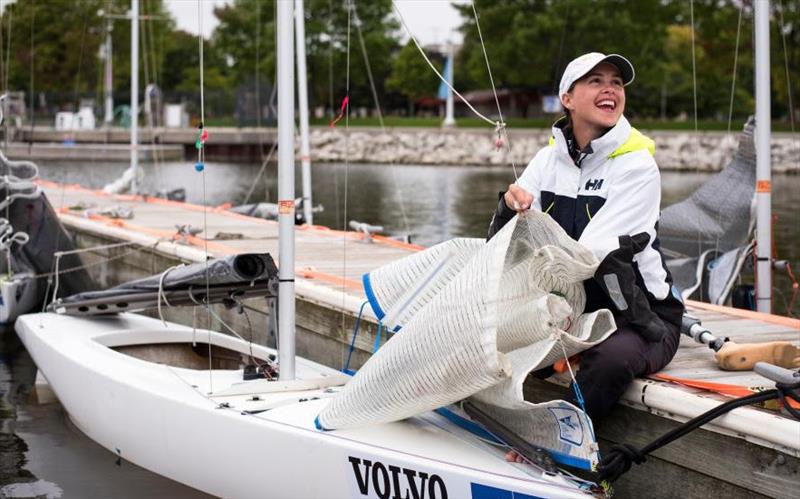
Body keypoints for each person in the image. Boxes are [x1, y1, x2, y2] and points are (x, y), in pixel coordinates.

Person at [487, 53, 685, 437]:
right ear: (567, 98)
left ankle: (563, 442)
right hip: (570, 313)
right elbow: (506, 244)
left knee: (609, 362)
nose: (610, 88)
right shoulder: (547, 160)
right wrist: (509, 208)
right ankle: (490, 419)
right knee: (492, 334)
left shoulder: (638, 166)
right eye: (595, 81)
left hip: (642, 319)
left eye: (617, 82)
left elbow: (587, 255)